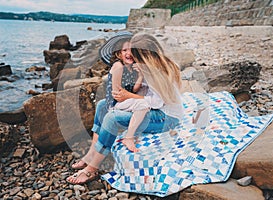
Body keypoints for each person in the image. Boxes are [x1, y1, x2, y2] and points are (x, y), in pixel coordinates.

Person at [66, 33, 184, 184]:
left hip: (166, 117)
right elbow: (147, 92)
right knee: (103, 104)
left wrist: (129, 95)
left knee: (112, 118)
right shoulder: (149, 66)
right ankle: (91, 154)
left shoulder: (158, 71)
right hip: (156, 109)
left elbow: (155, 103)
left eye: (135, 55)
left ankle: (91, 169)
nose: (132, 58)